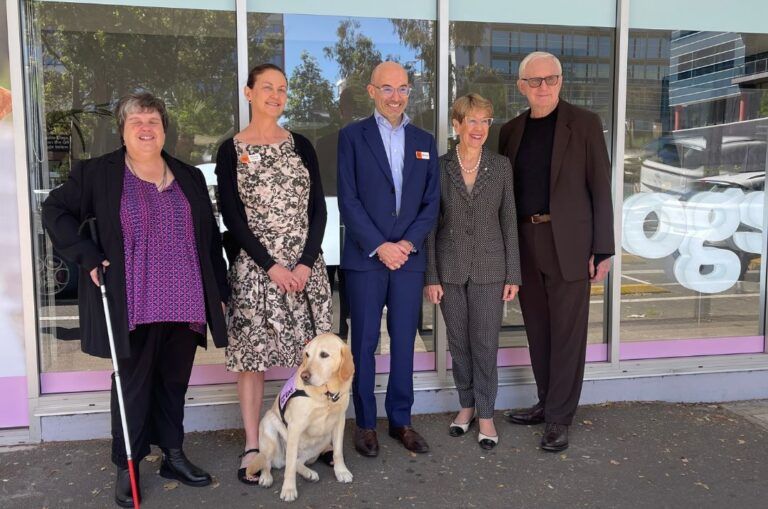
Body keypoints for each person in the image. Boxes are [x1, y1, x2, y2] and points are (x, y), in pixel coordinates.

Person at [42, 91, 229, 507]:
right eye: (136, 122)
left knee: (174, 381)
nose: (146, 128)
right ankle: (128, 463)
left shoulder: (188, 176)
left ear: (164, 130)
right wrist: (86, 255)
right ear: (123, 131)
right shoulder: (98, 173)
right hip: (133, 297)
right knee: (132, 384)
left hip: (186, 297)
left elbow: (210, 239)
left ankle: (173, 454)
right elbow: (55, 210)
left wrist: (220, 290)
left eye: (153, 121)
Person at [214, 63, 332, 484]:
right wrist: (271, 266)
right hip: (257, 270)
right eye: (267, 87)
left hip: (304, 268)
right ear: (248, 92)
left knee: (312, 359)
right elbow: (232, 215)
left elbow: (318, 208)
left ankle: (310, 439)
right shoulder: (230, 149)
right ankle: (253, 444)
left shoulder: (302, 144)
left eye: (282, 89)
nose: (276, 96)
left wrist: (303, 262)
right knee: (253, 359)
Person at [498, 51, 614, 452]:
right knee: (538, 331)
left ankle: (560, 418)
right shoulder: (510, 131)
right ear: (521, 86)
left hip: (570, 244)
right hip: (525, 242)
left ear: (561, 82)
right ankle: (545, 403)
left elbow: (601, 187)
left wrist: (604, 249)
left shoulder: (584, 124)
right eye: (534, 81)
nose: (543, 87)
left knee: (567, 335)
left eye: (550, 79)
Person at [337, 61, 440, 457]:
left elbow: (430, 203)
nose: (395, 96)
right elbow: (349, 199)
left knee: (403, 342)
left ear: (409, 91)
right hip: (367, 258)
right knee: (362, 344)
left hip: (409, 260)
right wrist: (381, 245)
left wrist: (408, 245)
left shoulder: (425, 140)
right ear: (371, 91)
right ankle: (364, 424)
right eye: (387, 88)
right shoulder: (352, 137)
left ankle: (401, 420)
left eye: (402, 88)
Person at [424, 93, 521, 450]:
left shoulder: (501, 166)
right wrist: (431, 276)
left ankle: (486, 414)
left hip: (490, 268)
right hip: (449, 270)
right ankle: (465, 406)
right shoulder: (439, 166)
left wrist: (514, 274)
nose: (479, 128)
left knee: (485, 343)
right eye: (472, 121)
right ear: (457, 124)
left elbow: (509, 221)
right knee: (459, 344)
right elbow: (431, 225)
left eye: (485, 121)